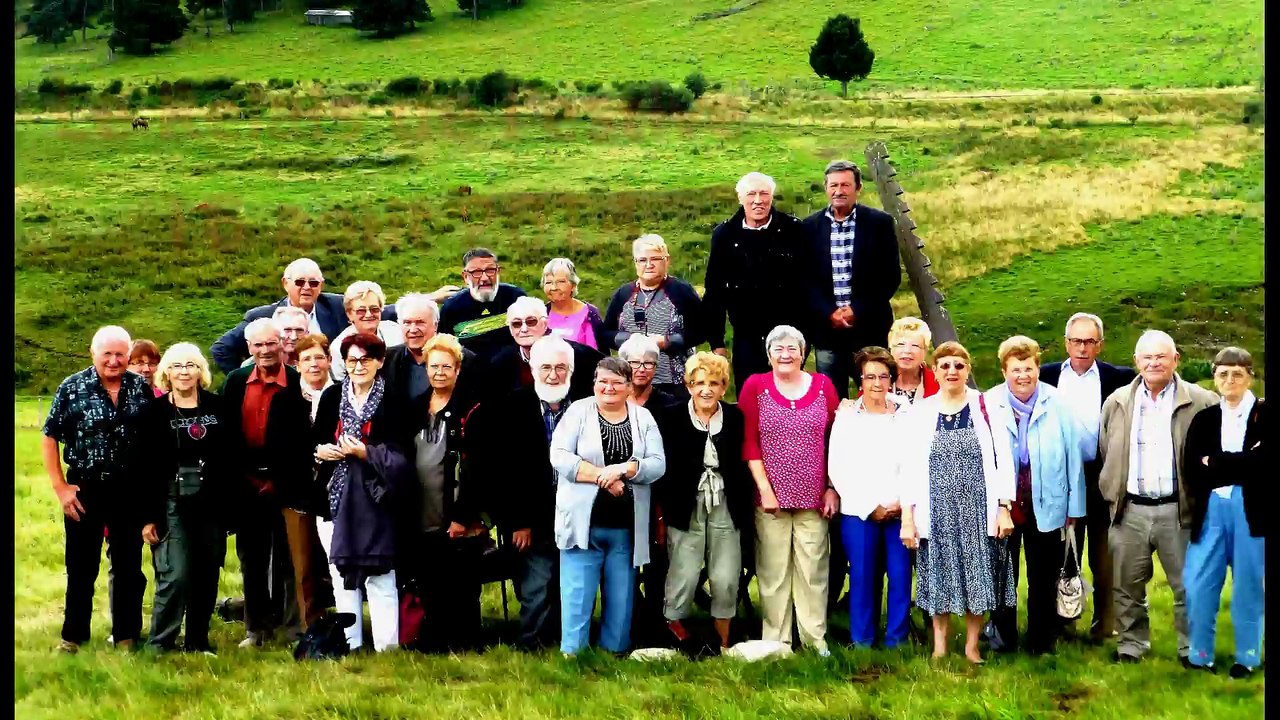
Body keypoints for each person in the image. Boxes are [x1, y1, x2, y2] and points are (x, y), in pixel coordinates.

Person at [1098, 330, 1218, 664]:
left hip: (1179, 511)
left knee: (1189, 586)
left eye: (1161, 356)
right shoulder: (1118, 402)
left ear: (1175, 359)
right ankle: (1131, 646)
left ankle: (1192, 649)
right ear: (1136, 362)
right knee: (1126, 587)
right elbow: (1107, 448)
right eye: (1147, 357)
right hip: (1130, 510)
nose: (1154, 363)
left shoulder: (1202, 401)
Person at [899, 341, 1016, 664]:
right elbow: (908, 466)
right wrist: (908, 517)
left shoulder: (986, 407)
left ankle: (972, 646)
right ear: (935, 371)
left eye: (959, 365)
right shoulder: (921, 412)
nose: (952, 371)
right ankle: (939, 646)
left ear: (968, 370)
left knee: (977, 575)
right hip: (935, 509)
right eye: (945, 365)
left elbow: (1004, 459)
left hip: (978, 508)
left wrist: (1004, 507)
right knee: (938, 575)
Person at [42, 326, 154, 653]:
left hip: (129, 490)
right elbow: (50, 436)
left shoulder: (140, 388)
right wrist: (61, 487)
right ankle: (73, 636)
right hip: (85, 488)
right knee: (80, 566)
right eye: (107, 354)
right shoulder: (72, 387)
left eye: (121, 354)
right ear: (93, 353)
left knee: (128, 566)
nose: (114, 360)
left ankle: (126, 636)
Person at [463, 336, 576, 650]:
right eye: (545, 367)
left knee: (566, 583)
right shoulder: (511, 408)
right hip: (529, 518)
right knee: (536, 584)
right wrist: (518, 523)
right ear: (532, 368)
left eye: (560, 368)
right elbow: (502, 473)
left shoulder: (582, 407)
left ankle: (563, 639)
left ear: (571, 369)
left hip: (573, 513)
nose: (553, 375)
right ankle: (531, 644)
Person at [551, 358, 667, 656]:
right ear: (594, 384)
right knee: (577, 593)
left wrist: (624, 470)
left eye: (617, 382)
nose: (609, 387)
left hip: (626, 526)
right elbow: (560, 457)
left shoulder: (644, 419)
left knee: (621, 595)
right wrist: (603, 478)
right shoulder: (578, 411)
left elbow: (657, 464)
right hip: (582, 525)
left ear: (630, 387)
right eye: (603, 380)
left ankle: (614, 653)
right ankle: (572, 654)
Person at [739, 325, 840, 656]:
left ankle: (814, 640)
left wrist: (830, 487)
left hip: (814, 497)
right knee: (773, 572)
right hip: (771, 500)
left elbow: (836, 442)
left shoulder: (824, 386)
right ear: (769, 354)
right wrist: (764, 490)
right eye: (778, 348)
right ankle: (776, 641)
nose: (785, 354)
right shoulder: (756, 386)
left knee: (813, 572)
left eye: (792, 348)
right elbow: (749, 442)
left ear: (803, 352)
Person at [983, 336, 1087, 655]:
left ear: (1038, 368)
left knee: (1043, 577)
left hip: (1049, 504)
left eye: (1028, 368)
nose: (1023, 375)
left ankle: (1042, 641)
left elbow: (1074, 458)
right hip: (1005, 506)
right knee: (1003, 575)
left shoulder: (1058, 403)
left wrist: (1075, 507)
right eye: (1016, 369)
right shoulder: (988, 403)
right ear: (1004, 371)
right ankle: (1002, 638)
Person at [1038, 312, 1137, 643]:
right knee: (1064, 553)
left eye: (1090, 341)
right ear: (1066, 343)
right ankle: (1065, 622)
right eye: (1077, 341)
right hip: (1060, 477)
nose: (1082, 347)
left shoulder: (1120, 378)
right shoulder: (1046, 376)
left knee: (1104, 556)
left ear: (1100, 345)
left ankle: (1105, 625)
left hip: (1101, 474)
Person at [313, 333, 413, 653]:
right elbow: (313, 441)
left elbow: (403, 451)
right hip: (333, 497)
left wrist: (365, 452)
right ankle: (350, 643)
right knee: (341, 573)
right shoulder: (331, 397)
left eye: (365, 359)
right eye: (352, 360)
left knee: (380, 573)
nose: (358, 366)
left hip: (377, 498)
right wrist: (322, 451)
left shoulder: (394, 398)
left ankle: (387, 647)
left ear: (380, 362)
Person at [220, 318, 312, 648]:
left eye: (270, 343)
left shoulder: (299, 383)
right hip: (245, 483)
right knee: (253, 560)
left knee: (290, 559)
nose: (265, 350)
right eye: (258, 345)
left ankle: (293, 628)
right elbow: (226, 435)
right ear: (249, 349)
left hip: (286, 483)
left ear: (281, 345)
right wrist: (241, 478)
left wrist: (280, 479)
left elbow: (305, 440)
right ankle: (256, 629)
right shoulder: (236, 381)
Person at [136, 343, 230, 654]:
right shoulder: (154, 412)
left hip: (213, 501)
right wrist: (148, 516)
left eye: (190, 365)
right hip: (171, 501)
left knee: (206, 572)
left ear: (200, 371)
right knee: (175, 574)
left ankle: (197, 641)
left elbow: (233, 457)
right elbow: (145, 467)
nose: (184, 372)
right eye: (177, 366)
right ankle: (160, 642)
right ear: (167, 373)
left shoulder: (218, 407)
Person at [657, 352, 752, 650]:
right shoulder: (671, 416)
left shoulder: (735, 418)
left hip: (726, 504)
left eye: (713, 383)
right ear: (688, 386)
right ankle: (676, 638)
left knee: (725, 576)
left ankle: (722, 642)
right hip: (685, 506)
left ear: (724, 387)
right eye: (698, 383)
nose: (706, 389)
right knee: (682, 573)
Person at [1183, 347, 1266, 678]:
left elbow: (1263, 467)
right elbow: (1193, 466)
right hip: (1211, 510)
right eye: (1223, 373)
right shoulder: (1204, 419)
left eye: (1237, 373)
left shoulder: (1265, 416)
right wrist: (1243, 462)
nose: (1229, 380)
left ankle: (1247, 657)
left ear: (1250, 377)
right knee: (1199, 584)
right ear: (1214, 376)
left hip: (1253, 510)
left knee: (1248, 586)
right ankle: (1200, 655)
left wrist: (1217, 462)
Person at [703, 172, 822, 395]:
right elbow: (714, 292)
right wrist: (717, 342)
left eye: (764, 194)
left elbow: (809, 285)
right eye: (751, 194)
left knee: (788, 396)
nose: (758, 200)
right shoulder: (725, 235)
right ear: (740, 198)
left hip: (788, 336)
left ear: (772, 197)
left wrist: (806, 337)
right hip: (746, 337)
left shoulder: (794, 230)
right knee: (749, 399)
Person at [400, 334, 483, 652]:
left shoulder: (472, 409)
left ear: (458, 369)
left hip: (457, 510)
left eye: (446, 366)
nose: (439, 372)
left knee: (461, 581)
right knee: (429, 579)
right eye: (433, 366)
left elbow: (478, 468)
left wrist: (464, 515)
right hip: (422, 509)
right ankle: (434, 640)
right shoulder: (414, 407)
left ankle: (466, 642)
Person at [827, 347, 910, 648]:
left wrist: (902, 502)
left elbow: (915, 461)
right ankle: (862, 640)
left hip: (901, 510)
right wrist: (869, 506)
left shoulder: (906, 414)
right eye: (870, 376)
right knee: (863, 576)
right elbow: (838, 467)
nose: (877, 382)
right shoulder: (847, 416)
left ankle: (897, 640)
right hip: (860, 511)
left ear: (891, 379)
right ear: (860, 379)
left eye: (883, 376)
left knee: (900, 577)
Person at [803, 160, 902, 400]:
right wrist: (829, 313)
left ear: (858, 189)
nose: (839, 191)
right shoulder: (809, 227)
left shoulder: (879, 223)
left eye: (846, 185)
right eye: (833, 185)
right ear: (826, 188)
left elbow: (890, 277)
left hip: (870, 328)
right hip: (827, 332)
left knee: (877, 395)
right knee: (831, 400)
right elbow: (805, 280)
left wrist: (856, 310)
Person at [619, 333, 678, 645]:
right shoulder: (610, 403)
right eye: (634, 363)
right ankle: (628, 621)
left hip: (658, 497)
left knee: (657, 567)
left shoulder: (669, 405)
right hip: (617, 496)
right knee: (620, 562)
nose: (641, 369)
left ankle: (656, 625)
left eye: (648, 363)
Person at [604, 235, 704, 398]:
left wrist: (666, 342)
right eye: (642, 260)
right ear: (635, 262)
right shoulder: (623, 294)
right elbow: (605, 333)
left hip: (675, 381)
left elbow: (701, 331)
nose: (649, 265)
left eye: (655, 259)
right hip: (630, 380)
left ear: (667, 261)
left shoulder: (681, 291)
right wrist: (631, 339)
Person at [210, 258, 349, 373]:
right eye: (299, 282)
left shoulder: (338, 306)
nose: (307, 287)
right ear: (285, 283)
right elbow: (222, 349)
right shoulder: (263, 316)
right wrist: (244, 379)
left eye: (313, 283)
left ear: (321, 285)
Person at [482, 296, 602, 402]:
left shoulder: (579, 355)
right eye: (516, 324)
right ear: (511, 329)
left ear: (545, 324)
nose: (524, 329)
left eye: (531, 322)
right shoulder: (500, 364)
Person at [382, 293, 479, 405]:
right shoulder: (387, 359)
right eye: (407, 323)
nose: (413, 329)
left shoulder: (464, 359)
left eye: (420, 322)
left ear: (435, 325)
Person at [438, 248, 528, 358]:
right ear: (465, 276)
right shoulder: (451, 308)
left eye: (490, 270)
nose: (484, 278)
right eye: (477, 272)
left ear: (498, 271)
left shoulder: (515, 298)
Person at [330, 281, 405, 382]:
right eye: (361, 310)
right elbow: (338, 384)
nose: (369, 315)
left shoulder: (395, 331)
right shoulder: (338, 347)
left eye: (374, 309)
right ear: (349, 314)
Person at [543, 257, 607, 350]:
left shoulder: (589, 314)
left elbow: (597, 354)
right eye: (548, 282)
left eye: (560, 282)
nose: (554, 287)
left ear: (573, 285)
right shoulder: (540, 314)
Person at [886, 317, 939, 407]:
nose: (907, 351)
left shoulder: (939, 383)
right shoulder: (874, 381)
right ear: (891, 348)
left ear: (925, 351)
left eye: (915, 346)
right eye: (901, 344)